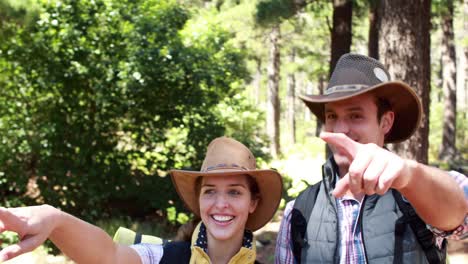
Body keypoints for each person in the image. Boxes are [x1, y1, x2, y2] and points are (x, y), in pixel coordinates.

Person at [275, 53, 468, 264]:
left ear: (385, 122)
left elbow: (459, 216)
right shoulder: (299, 211)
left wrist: (410, 176)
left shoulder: (417, 190)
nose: (340, 130)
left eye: (355, 115)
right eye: (332, 116)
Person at [0, 136, 283, 263]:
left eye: (234, 192)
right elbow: (108, 255)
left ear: (253, 203)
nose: (221, 203)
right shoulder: (161, 257)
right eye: (210, 191)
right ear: (199, 200)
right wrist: (55, 219)